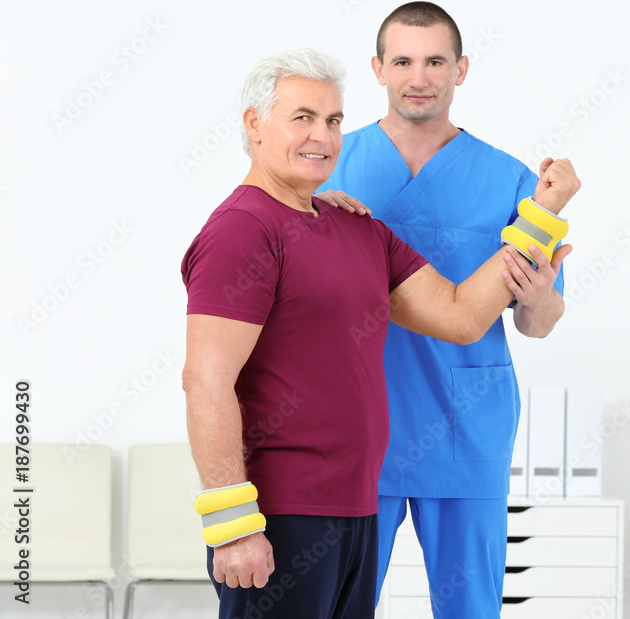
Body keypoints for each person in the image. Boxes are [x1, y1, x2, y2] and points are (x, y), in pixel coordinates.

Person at [180, 46, 571, 619]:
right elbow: (206, 381)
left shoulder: (359, 231)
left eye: (334, 120)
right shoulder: (243, 231)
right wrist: (232, 524)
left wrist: (540, 212)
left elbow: (461, 316)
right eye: (303, 118)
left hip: (358, 508)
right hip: (282, 511)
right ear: (254, 125)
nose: (323, 135)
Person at [315, 1, 581, 618]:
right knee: (339, 606)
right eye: (403, 61)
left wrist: (539, 298)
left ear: (460, 70)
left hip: (466, 424)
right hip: (358, 425)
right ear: (377, 69)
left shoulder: (514, 182)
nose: (419, 76)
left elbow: (537, 324)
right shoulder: (329, 167)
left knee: (470, 608)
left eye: (435, 61)